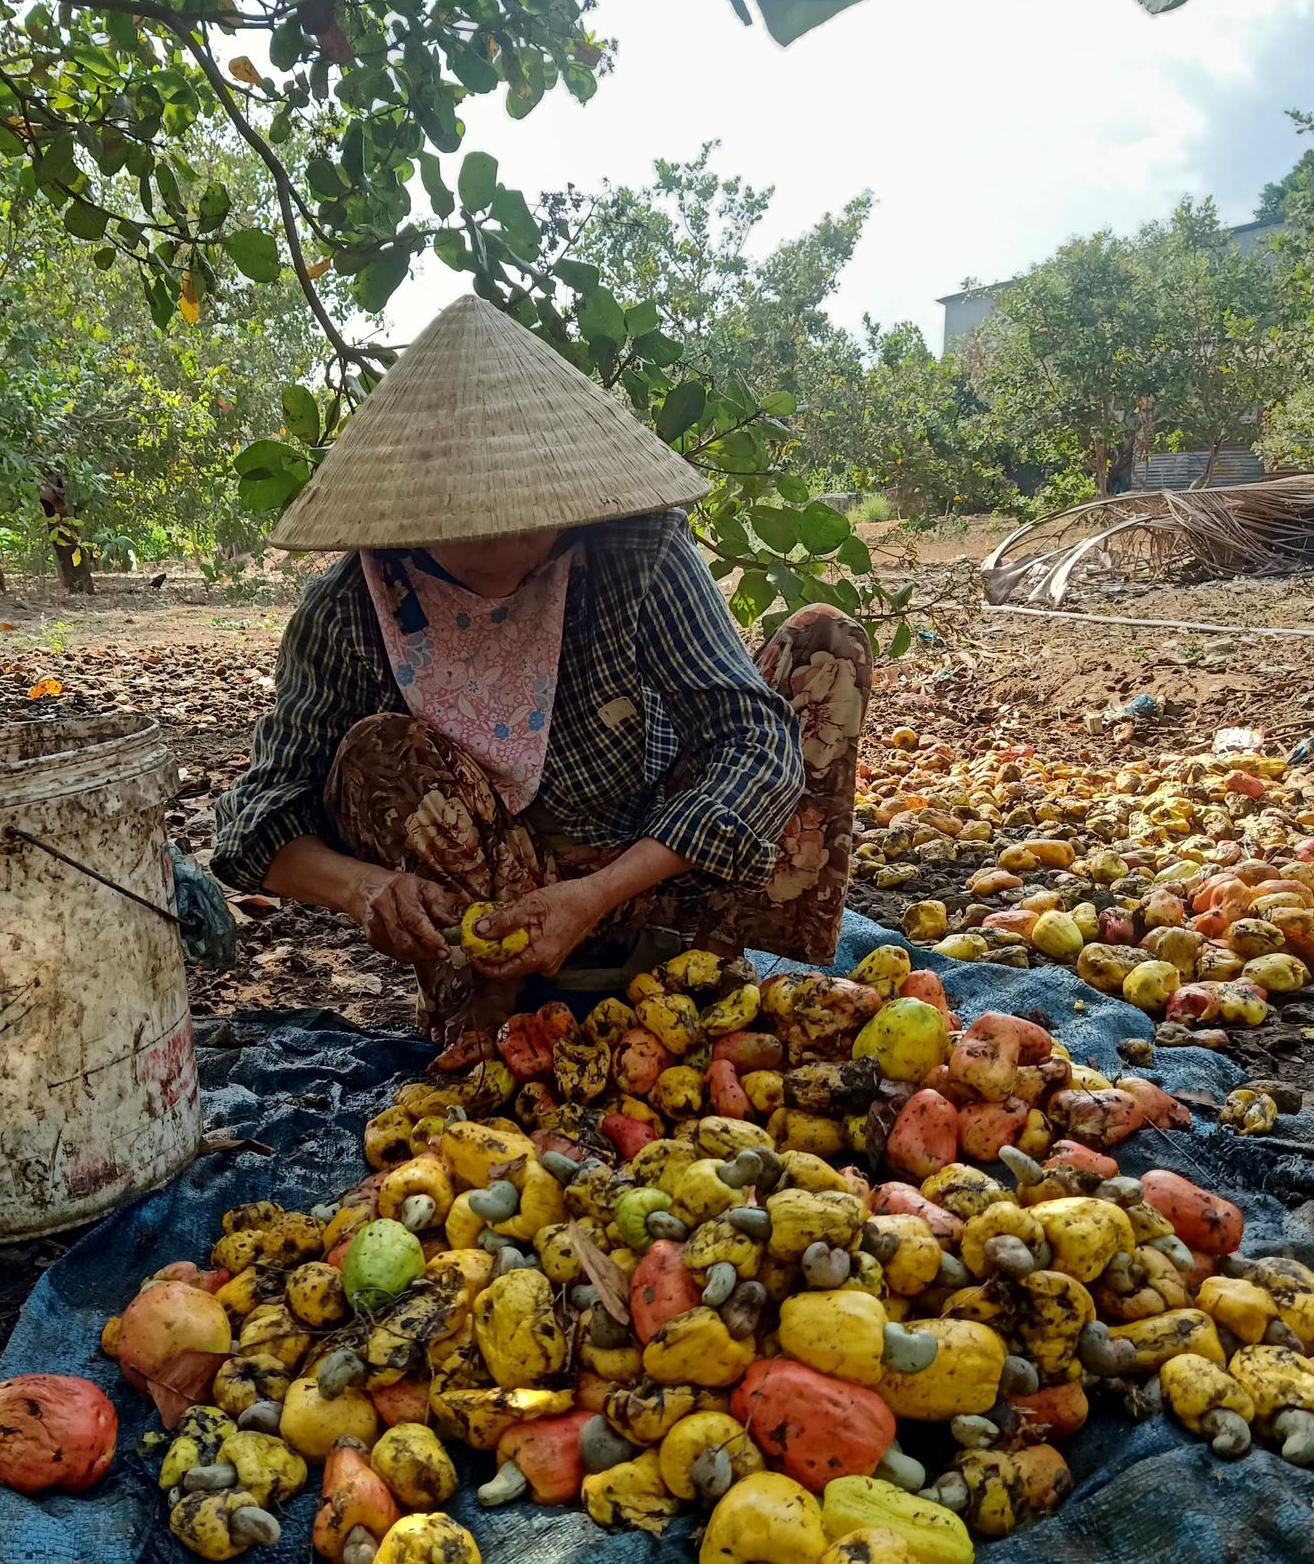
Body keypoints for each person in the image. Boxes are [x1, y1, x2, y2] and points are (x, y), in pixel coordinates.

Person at [213, 295, 871, 1060]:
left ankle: (694, 954)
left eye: (522, 516)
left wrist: (596, 894)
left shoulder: (636, 552)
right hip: (492, 898)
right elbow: (255, 818)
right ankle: (493, 992)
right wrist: (366, 890)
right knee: (376, 751)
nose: (495, 546)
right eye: (462, 524)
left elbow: (753, 742)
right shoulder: (353, 605)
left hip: (648, 863)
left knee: (826, 641)